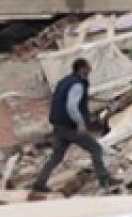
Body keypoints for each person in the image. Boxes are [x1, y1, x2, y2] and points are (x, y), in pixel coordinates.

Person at [32, 59, 118, 193]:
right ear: (82, 68)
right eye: (88, 67)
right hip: (71, 127)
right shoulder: (77, 85)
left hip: (58, 126)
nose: (90, 70)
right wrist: (80, 123)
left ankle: (39, 183)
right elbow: (71, 106)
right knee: (95, 149)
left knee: (56, 156)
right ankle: (104, 179)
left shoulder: (64, 81)